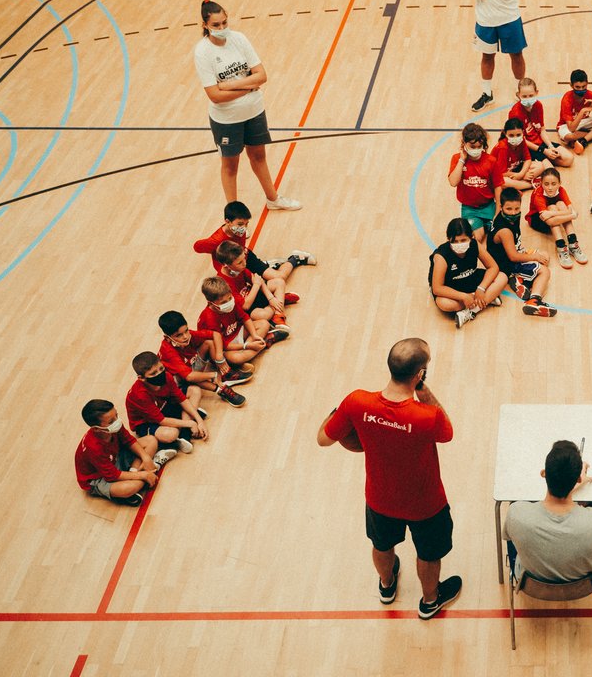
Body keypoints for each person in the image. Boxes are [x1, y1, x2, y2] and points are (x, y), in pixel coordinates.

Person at [317, 338, 462, 619]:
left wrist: (341, 412)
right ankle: (430, 601)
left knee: (382, 545)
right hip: (425, 504)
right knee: (429, 554)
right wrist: (424, 391)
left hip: (380, 499)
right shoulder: (426, 416)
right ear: (419, 374)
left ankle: (386, 586)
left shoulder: (357, 401)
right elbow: (447, 433)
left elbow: (323, 439)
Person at [193, 0, 300, 209]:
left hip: (254, 111)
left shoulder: (239, 39)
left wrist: (229, 86)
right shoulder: (202, 52)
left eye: (224, 23)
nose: (222, 28)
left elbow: (262, 75)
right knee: (230, 166)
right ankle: (232, 215)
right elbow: (214, 95)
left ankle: (273, 199)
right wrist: (248, 87)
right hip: (226, 120)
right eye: (216, 25)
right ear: (205, 25)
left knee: (259, 156)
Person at [503, 440, 592, 583]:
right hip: (584, 584)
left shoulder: (516, 513)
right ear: (578, 479)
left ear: (544, 473)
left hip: (530, 581)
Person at [75, 399, 177, 506]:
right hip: (100, 477)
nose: (117, 421)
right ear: (96, 429)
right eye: (111, 421)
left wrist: (145, 458)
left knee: (151, 440)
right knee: (129, 488)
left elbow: (129, 440)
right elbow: (112, 475)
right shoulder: (93, 447)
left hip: (116, 457)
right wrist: (143, 475)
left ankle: (143, 469)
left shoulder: (115, 426)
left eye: (116, 415)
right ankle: (152, 467)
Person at [194, 200, 315, 284]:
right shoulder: (216, 240)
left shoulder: (240, 230)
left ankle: (295, 258)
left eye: (246, 224)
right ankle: (270, 265)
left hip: (245, 259)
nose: (244, 228)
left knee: (279, 278)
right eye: (240, 224)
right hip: (232, 269)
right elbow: (197, 247)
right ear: (227, 221)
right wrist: (210, 246)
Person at [158, 310, 250, 408]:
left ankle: (226, 373)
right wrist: (213, 375)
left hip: (190, 367)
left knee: (208, 343)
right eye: (179, 335)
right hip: (178, 382)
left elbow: (215, 334)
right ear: (167, 338)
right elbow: (189, 376)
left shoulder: (189, 335)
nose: (185, 337)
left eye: (186, 331)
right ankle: (221, 390)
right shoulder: (167, 351)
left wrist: (220, 358)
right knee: (189, 377)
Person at [428, 218, 508, 329]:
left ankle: (471, 311)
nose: (459, 244)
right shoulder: (441, 256)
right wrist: (464, 296)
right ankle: (486, 300)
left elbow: (493, 267)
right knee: (443, 303)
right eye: (455, 241)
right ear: (448, 239)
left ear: (471, 237)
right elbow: (437, 288)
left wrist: (481, 288)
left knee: (502, 277)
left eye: (463, 240)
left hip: (471, 277)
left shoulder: (475, 245)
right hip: (451, 287)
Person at [490, 187, 558, 318]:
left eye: (517, 208)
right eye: (509, 209)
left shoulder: (507, 215)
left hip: (512, 251)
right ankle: (534, 300)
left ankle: (519, 280)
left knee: (545, 256)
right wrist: (534, 257)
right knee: (545, 271)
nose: (513, 212)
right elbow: (513, 256)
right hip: (507, 262)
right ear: (501, 206)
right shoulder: (505, 231)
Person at [125, 352, 209, 455]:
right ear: (141, 378)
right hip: (146, 423)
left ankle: (184, 434)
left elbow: (182, 399)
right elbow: (161, 420)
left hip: (164, 406)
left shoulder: (167, 376)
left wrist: (200, 421)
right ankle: (184, 428)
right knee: (170, 434)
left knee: (194, 390)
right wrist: (191, 423)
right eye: (153, 374)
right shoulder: (139, 395)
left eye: (161, 369)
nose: (159, 374)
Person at [197, 275, 281, 370]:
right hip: (224, 347)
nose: (229, 302)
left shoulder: (232, 303)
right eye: (223, 302)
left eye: (229, 298)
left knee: (264, 324)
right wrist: (246, 345)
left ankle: (252, 350)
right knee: (236, 358)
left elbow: (245, 318)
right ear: (210, 303)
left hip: (237, 333)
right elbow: (221, 345)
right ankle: (262, 344)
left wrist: (254, 335)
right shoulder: (209, 318)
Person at [214, 240, 291, 333]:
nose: (244, 264)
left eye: (244, 259)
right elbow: (245, 306)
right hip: (247, 308)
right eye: (239, 262)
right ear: (225, 265)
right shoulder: (223, 284)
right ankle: (279, 300)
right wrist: (256, 285)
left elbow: (259, 280)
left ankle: (278, 316)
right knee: (264, 315)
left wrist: (271, 298)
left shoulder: (239, 268)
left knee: (279, 282)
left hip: (252, 294)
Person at [448, 122, 504, 243]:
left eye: (480, 147)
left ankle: (487, 224)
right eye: (473, 147)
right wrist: (462, 160)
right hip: (469, 209)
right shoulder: (456, 159)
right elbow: (453, 182)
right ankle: (482, 225)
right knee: (477, 238)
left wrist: (498, 210)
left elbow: (498, 187)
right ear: (464, 144)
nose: (476, 150)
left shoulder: (491, 161)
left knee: (499, 235)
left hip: (489, 206)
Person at [527, 168, 587, 269]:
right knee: (552, 207)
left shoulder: (562, 190)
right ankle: (561, 247)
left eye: (554, 184)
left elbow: (570, 208)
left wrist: (555, 213)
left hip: (553, 216)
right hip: (537, 221)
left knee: (560, 203)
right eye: (546, 184)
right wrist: (571, 215)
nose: (550, 188)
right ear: (541, 183)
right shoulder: (538, 194)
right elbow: (550, 221)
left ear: (559, 183)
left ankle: (573, 244)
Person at [509, 78, 572, 168]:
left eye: (531, 95)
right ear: (518, 95)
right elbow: (521, 140)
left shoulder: (538, 105)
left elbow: (542, 130)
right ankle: (532, 162)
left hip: (540, 143)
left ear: (536, 93)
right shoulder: (515, 113)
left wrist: (550, 146)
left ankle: (542, 160)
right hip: (527, 148)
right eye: (524, 96)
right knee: (550, 170)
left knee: (569, 159)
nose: (528, 99)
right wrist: (544, 151)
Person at [556, 69, 592, 155]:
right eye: (577, 87)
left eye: (584, 87)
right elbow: (571, 128)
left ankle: (583, 139)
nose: (581, 90)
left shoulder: (591, 95)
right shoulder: (566, 99)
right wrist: (583, 111)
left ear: (587, 83)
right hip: (566, 125)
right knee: (569, 137)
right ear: (571, 85)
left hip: (583, 123)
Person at [491, 118, 541, 191]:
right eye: (511, 135)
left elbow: (528, 159)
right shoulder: (503, 148)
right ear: (505, 133)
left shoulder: (522, 140)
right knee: (503, 182)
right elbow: (501, 173)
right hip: (501, 174)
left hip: (515, 170)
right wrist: (522, 176)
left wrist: (521, 174)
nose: (515, 138)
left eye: (518, 135)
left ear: (523, 132)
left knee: (540, 165)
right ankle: (530, 185)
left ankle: (518, 184)